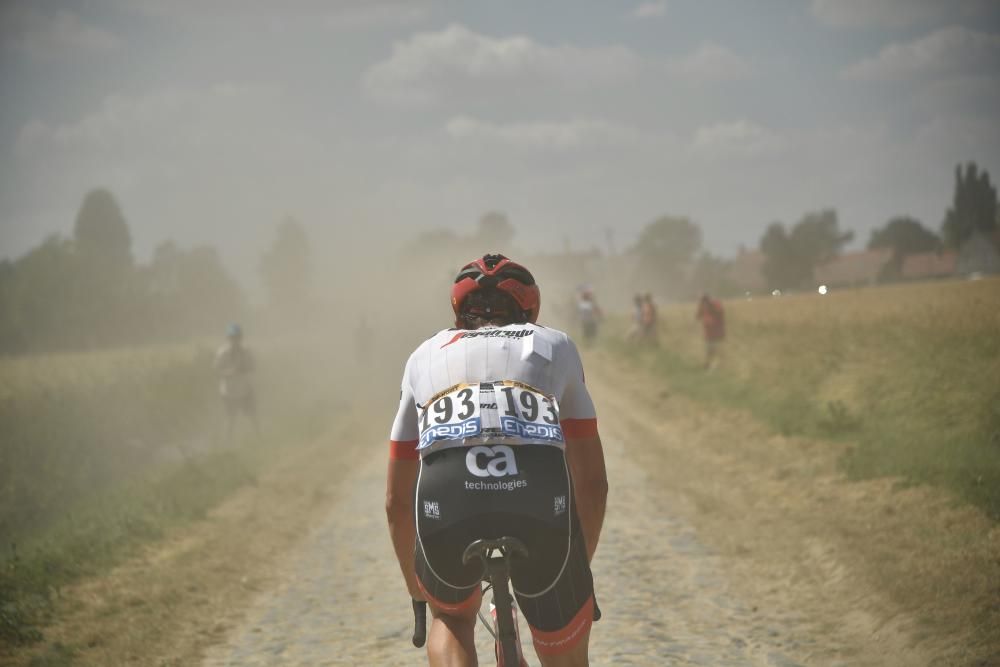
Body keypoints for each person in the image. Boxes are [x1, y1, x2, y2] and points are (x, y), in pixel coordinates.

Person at [386, 253, 608, 667]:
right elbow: (593, 483)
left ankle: (450, 623)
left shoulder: (423, 354)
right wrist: (574, 570)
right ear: (529, 308)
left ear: (458, 310)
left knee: (450, 619)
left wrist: (419, 594)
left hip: (448, 500)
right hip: (537, 497)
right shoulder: (555, 344)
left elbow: (396, 502)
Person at [213, 323, 259, 440]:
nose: (235, 340)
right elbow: (216, 371)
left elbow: (253, 366)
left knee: (252, 416)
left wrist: (244, 368)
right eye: (232, 337)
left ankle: (259, 438)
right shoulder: (222, 353)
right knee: (230, 419)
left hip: (245, 389)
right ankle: (228, 444)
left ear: (241, 338)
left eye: (237, 337)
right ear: (228, 338)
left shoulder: (246, 351)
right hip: (228, 392)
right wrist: (229, 373)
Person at [695, 293, 725, 369]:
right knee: (710, 349)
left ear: (707, 301)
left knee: (714, 350)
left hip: (716, 333)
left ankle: (712, 364)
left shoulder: (714, 307)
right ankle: (709, 364)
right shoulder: (703, 308)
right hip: (708, 334)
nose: (703, 305)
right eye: (702, 303)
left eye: (704, 303)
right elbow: (698, 317)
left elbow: (720, 316)